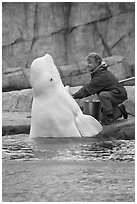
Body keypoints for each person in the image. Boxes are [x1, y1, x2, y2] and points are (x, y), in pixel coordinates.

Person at [72, 52, 128, 125]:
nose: (87, 65)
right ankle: (119, 110)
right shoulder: (98, 72)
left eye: (90, 63)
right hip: (114, 94)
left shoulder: (102, 75)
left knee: (103, 95)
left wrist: (74, 96)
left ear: (97, 64)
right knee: (102, 119)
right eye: (87, 63)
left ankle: (110, 116)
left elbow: (88, 89)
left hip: (118, 94)